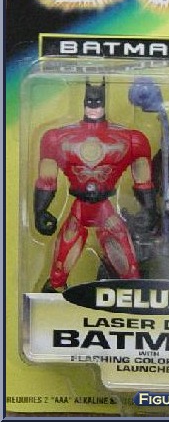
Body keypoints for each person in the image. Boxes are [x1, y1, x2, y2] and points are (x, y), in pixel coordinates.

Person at [34, 80, 157, 292]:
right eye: (89, 100)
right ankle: (53, 299)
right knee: (58, 275)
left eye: (97, 100)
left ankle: (130, 297)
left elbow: (143, 179)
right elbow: (47, 179)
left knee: (129, 272)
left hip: (104, 210)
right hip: (80, 209)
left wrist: (149, 209)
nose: (93, 103)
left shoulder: (130, 139)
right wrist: (40, 210)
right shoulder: (58, 138)